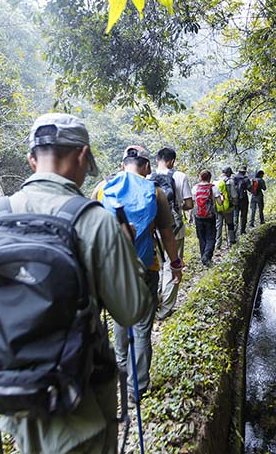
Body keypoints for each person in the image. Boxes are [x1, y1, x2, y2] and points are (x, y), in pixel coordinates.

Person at [0, 113, 151, 454]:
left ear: (32, 159)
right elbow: (132, 309)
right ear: (82, 155)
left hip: (9, 402)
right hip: (82, 405)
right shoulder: (95, 221)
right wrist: (127, 247)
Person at [91, 145, 182, 403]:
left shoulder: (101, 189)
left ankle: (121, 370)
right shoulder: (154, 192)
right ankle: (137, 387)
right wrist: (175, 264)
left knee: (121, 321)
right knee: (142, 328)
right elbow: (167, 233)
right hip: (146, 268)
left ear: (122, 165)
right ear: (146, 166)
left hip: (112, 271)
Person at [152, 147, 193, 320]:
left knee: (159, 266)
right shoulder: (180, 176)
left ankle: (156, 302)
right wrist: (178, 207)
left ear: (156, 160)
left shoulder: (147, 177)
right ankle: (166, 308)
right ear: (172, 161)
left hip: (153, 229)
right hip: (174, 228)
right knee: (173, 264)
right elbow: (189, 204)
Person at [191, 169, 223, 266]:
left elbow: (193, 202)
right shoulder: (213, 188)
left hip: (198, 216)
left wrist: (190, 216)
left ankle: (203, 258)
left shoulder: (195, 188)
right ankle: (207, 257)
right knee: (211, 237)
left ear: (200, 177)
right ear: (209, 178)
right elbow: (220, 203)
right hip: (210, 216)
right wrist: (221, 197)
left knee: (201, 237)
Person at [215, 166, 236, 250]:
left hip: (218, 206)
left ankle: (218, 244)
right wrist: (235, 203)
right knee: (230, 224)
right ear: (228, 173)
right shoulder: (230, 182)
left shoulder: (216, 181)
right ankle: (231, 241)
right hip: (228, 207)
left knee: (219, 225)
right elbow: (234, 195)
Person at [233, 165, 251, 236]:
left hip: (235, 199)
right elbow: (250, 188)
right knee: (243, 216)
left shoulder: (234, 178)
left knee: (235, 216)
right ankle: (242, 231)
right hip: (244, 199)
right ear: (245, 172)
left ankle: (233, 233)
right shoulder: (246, 179)